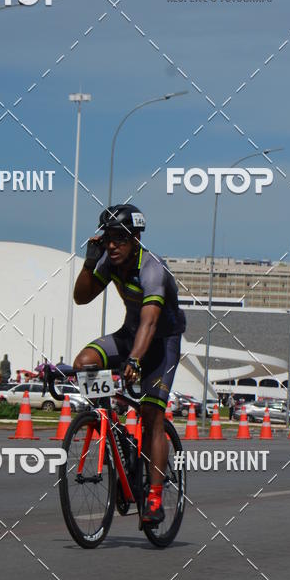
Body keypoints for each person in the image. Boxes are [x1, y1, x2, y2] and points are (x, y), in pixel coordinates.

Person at [72, 204, 186, 525]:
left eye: (119, 239)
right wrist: (90, 263)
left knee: (151, 415)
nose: (112, 245)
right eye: (108, 238)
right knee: (84, 363)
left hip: (161, 344)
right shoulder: (110, 261)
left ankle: (153, 495)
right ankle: (114, 427)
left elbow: (150, 323)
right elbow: (82, 297)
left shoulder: (152, 269)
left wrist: (135, 360)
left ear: (136, 238)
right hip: (130, 335)